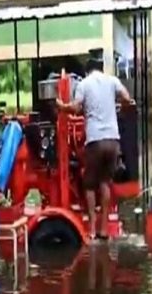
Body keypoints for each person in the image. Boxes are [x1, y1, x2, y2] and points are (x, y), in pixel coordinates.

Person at [57, 53, 135, 241]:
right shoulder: (112, 80)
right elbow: (127, 98)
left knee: (90, 184)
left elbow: (75, 108)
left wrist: (62, 106)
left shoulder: (84, 84)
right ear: (100, 68)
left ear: (87, 71)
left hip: (95, 140)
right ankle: (104, 230)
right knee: (105, 182)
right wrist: (121, 107)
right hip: (113, 140)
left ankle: (91, 228)